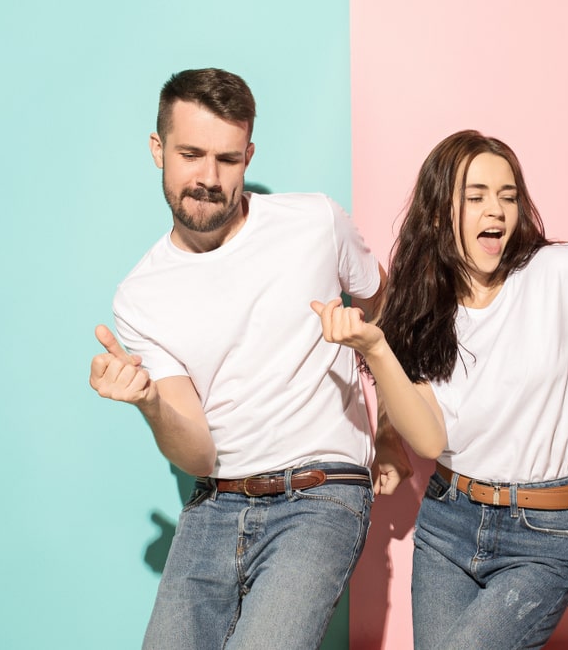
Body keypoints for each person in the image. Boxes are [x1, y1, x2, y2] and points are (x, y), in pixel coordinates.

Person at [312, 129, 568, 649]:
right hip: (446, 525)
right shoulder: (428, 309)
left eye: (507, 197)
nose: (496, 211)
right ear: (439, 214)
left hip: (542, 539)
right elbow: (431, 442)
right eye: (475, 197)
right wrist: (376, 348)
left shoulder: (564, 276)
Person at [89, 68, 408, 650]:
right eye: (190, 154)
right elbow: (198, 451)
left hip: (322, 494)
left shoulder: (314, 222)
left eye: (228, 159)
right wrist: (149, 402)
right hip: (215, 503)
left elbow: (383, 314)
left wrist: (388, 427)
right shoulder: (140, 295)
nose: (208, 178)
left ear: (249, 154)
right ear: (158, 150)